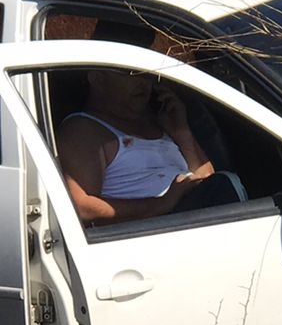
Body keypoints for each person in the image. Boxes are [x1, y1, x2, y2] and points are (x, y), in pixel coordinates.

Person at [56, 20, 244, 224]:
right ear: (97, 77)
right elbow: (81, 207)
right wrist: (163, 203)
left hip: (194, 219)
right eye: (130, 71)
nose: (144, 79)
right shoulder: (83, 130)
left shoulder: (161, 121)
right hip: (151, 232)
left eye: (146, 70)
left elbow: (205, 176)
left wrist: (182, 133)